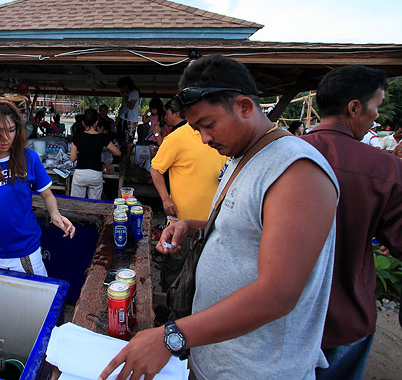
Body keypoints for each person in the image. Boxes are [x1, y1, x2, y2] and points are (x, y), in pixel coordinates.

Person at [100, 55, 339, 380]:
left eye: (208, 125)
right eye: (197, 129)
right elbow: (249, 228)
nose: (205, 139)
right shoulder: (245, 156)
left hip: (258, 369)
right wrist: (195, 226)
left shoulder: (296, 171)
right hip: (215, 358)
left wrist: (172, 336)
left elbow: (277, 294)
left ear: (244, 106)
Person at [301, 65, 402, 380]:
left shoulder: (278, 154)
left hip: (281, 317)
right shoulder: (384, 168)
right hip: (345, 314)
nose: (375, 117)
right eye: (375, 108)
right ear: (354, 107)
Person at [0, 95, 75, 275]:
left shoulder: (29, 158)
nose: (6, 138)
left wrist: (55, 213)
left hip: (26, 252)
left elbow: (47, 194)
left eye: (11, 130)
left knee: (36, 302)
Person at [150, 96, 227, 290]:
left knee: (204, 278)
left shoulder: (222, 136)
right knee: (175, 275)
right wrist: (165, 198)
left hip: (214, 226)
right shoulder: (177, 137)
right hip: (180, 225)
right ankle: (168, 313)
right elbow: (156, 168)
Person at [70, 109, 121, 199]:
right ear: (96, 123)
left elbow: (72, 158)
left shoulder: (77, 137)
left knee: (76, 202)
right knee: (95, 204)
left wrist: (81, 152)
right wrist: (104, 150)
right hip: (95, 174)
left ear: (83, 123)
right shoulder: (102, 137)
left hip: (80, 173)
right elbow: (118, 153)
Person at [116, 76, 140, 163]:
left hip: (132, 120)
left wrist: (124, 97)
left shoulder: (134, 92)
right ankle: (121, 156)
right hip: (123, 118)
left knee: (129, 140)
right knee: (121, 139)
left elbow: (131, 106)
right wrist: (118, 118)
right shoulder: (126, 93)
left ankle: (127, 159)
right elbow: (122, 106)